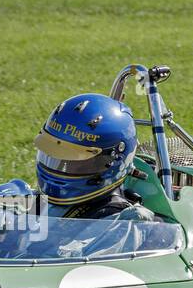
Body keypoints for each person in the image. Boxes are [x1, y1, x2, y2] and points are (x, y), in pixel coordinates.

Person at [32, 93, 156, 221]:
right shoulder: (34, 202)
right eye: (52, 155)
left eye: (74, 160)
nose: (62, 165)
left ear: (114, 161)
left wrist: (139, 230)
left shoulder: (119, 221)